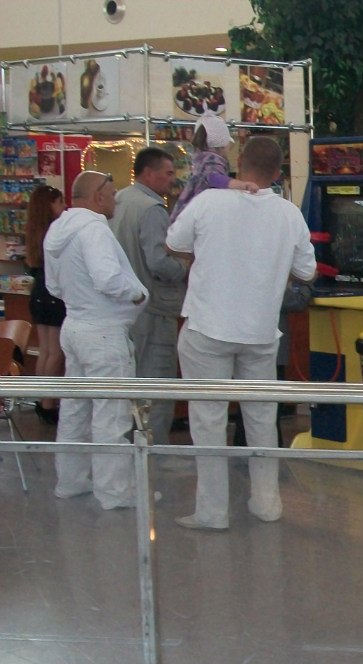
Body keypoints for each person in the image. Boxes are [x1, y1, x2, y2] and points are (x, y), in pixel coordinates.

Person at [165, 136, 316, 531]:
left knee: (208, 421)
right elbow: (307, 270)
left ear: (239, 162)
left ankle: (212, 511)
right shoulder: (288, 213)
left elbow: (174, 241)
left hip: (207, 327)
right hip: (261, 331)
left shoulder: (208, 202)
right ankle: (267, 502)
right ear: (278, 172)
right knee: (262, 418)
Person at [43, 171, 149, 510]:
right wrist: (136, 294)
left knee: (75, 409)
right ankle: (115, 491)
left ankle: (71, 481)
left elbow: (53, 286)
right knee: (111, 413)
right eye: (112, 192)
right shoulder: (94, 230)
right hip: (103, 331)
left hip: (74, 326)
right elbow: (107, 278)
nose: (116, 198)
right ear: (98, 197)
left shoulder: (58, 230)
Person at [110, 146, 187, 443]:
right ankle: (153, 450)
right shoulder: (152, 209)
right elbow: (158, 262)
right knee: (156, 385)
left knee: (130, 383)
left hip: (123, 308)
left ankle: (128, 446)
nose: (172, 179)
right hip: (154, 307)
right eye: (168, 173)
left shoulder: (119, 200)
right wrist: (184, 265)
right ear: (149, 173)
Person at [23, 184, 67, 424]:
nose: (64, 207)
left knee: (45, 350)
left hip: (38, 293)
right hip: (54, 294)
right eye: (60, 202)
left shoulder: (34, 231)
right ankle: (49, 404)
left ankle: (42, 399)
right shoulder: (55, 231)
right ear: (49, 205)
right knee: (56, 352)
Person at [168, 115, 257, 222]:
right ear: (222, 144)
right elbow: (213, 177)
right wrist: (242, 185)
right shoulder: (212, 159)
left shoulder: (200, 158)